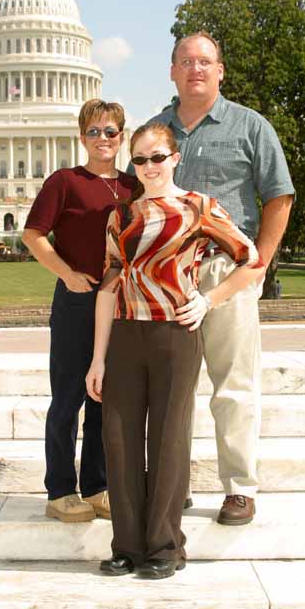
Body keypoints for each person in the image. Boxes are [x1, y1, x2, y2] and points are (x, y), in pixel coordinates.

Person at [86, 122, 263, 579]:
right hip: (125, 333)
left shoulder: (198, 207)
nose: (149, 167)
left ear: (174, 158)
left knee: (168, 441)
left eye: (157, 157)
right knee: (119, 442)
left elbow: (250, 258)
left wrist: (209, 300)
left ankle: (166, 546)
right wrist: (98, 358)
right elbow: (108, 287)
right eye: (140, 160)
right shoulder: (120, 215)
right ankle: (126, 546)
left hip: (175, 336)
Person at [147, 31, 294, 524]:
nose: (196, 69)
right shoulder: (153, 133)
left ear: (220, 70)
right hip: (166, 274)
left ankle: (239, 487)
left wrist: (259, 265)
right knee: (172, 386)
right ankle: (173, 484)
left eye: (205, 61)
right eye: (186, 61)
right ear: (172, 71)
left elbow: (279, 197)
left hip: (227, 271)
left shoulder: (251, 127)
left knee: (232, 383)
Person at [22, 99, 136, 523]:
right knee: (68, 397)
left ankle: (96, 485)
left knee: (105, 397)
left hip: (121, 301)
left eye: (110, 132)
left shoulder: (133, 185)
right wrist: (67, 273)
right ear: (81, 136)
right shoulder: (65, 182)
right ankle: (59, 489)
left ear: (121, 136)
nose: (102, 139)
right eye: (94, 132)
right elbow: (33, 235)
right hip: (77, 298)